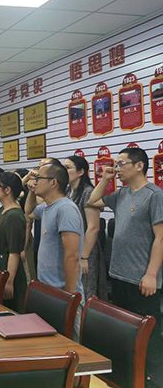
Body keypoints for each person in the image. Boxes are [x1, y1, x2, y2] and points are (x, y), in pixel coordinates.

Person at [86, 147, 163, 383]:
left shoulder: (154, 195)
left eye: (121, 164)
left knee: (148, 335)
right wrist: (105, 179)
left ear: (139, 166)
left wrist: (151, 274)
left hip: (141, 279)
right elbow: (93, 201)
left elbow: (161, 238)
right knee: (124, 332)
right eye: (116, 164)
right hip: (118, 274)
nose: (116, 168)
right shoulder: (122, 194)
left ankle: (153, 380)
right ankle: (128, 378)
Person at [25, 162, 84, 309]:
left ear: (53, 183)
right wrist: (31, 191)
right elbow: (29, 212)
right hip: (47, 288)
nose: (34, 181)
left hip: (62, 292)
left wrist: (69, 295)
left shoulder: (65, 209)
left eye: (39, 178)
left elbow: (72, 255)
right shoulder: (46, 207)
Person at [0, 172, 27, 312]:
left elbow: (14, 252)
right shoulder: (4, 209)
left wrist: (9, 281)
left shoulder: (14, 215)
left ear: (7, 190)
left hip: (7, 267)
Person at [64, 155, 107, 300]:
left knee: (86, 291)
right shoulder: (67, 190)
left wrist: (84, 256)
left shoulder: (88, 192)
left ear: (80, 172)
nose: (64, 171)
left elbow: (93, 227)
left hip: (86, 250)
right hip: (72, 247)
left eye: (67, 168)